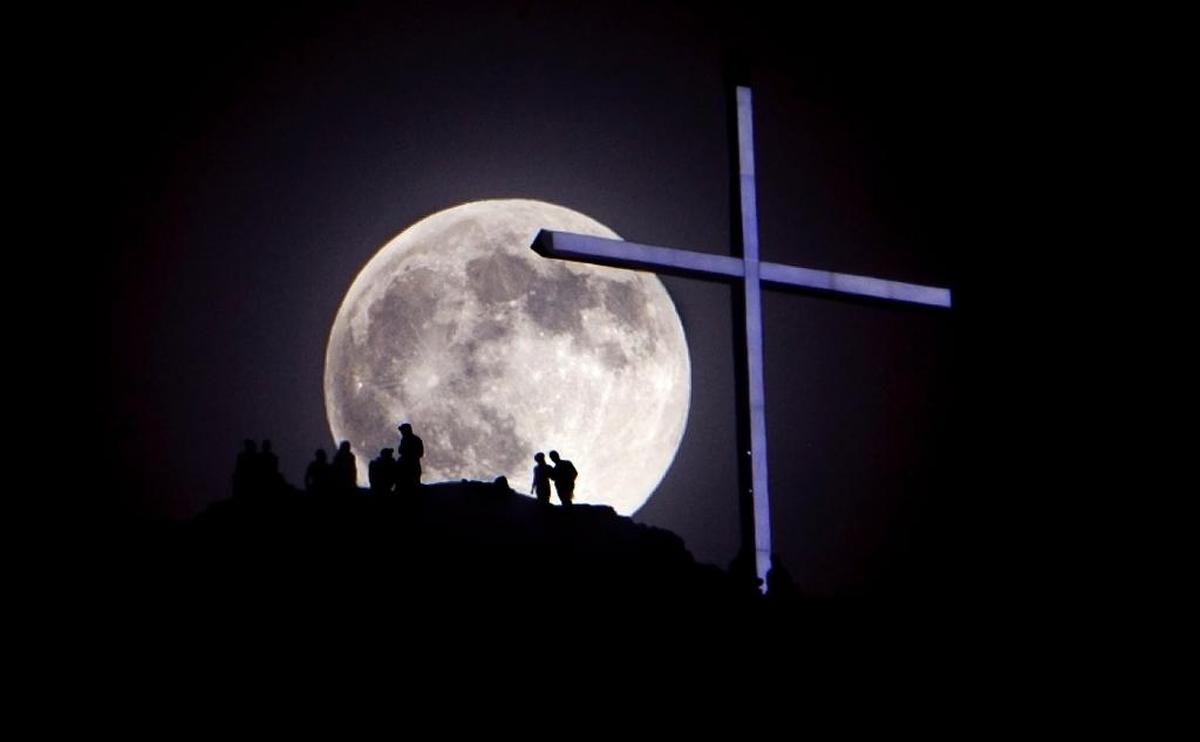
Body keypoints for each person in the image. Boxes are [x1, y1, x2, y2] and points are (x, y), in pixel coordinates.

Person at [397, 423, 424, 492]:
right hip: (414, 465)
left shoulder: (406, 439)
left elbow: (400, 450)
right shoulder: (416, 439)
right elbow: (421, 453)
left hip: (408, 466)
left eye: (402, 431)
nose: (401, 432)